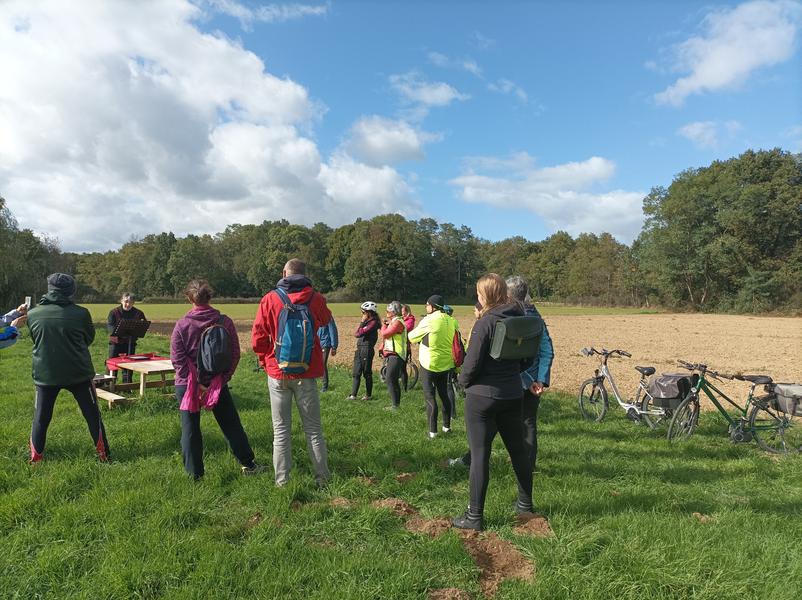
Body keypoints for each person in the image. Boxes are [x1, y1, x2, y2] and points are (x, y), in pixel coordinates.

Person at [451, 274, 533, 531]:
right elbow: (528, 360)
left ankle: (474, 517)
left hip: (482, 398)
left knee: (480, 455)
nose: (477, 297)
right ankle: (525, 505)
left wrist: (463, 382)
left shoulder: (486, 322)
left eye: (478, 293)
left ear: (485, 295)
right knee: (518, 450)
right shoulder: (520, 317)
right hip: (512, 394)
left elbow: (472, 363)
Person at [449, 277, 554, 472]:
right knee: (527, 425)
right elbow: (546, 351)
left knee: (488, 427)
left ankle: (473, 459)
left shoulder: (502, 318)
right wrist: (540, 379)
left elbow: (494, 357)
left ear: (507, 295)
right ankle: (527, 468)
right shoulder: (536, 319)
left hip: (505, 383)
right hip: (529, 382)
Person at [251, 258, 332, 487]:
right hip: (306, 372)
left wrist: (265, 360)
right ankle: (322, 479)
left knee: (281, 431)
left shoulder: (270, 299)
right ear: (305, 274)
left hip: (277, 372)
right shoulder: (316, 298)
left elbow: (258, 338)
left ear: (284, 273)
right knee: (314, 429)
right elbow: (326, 319)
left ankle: (282, 482)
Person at [170, 279, 263, 480]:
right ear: (210, 297)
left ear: (188, 298)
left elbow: (177, 359)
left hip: (187, 386)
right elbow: (235, 354)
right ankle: (248, 464)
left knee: (190, 429)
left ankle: (195, 476)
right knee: (231, 423)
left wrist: (196, 384)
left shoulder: (182, 325)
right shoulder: (224, 321)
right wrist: (220, 379)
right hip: (218, 383)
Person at [26, 273, 110, 463]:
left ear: (49, 289)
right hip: (78, 373)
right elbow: (88, 339)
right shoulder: (81, 313)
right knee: (92, 415)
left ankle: (36, 458)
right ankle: (104, 455)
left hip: (45, 375)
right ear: (71, 291)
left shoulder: (32, 314)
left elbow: (36, 340)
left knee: (41, 418)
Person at [408, 295, 458, 437]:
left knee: (430, 397)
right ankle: (447, 427)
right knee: (444, 395)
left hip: (429, 363)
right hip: (446, 364)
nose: (426, 307)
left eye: (427, 305)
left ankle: (432, 432)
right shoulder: (451, 320)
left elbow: (412, 337)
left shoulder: (429, 320)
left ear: (432, 306)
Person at [107, 292, 147, 384]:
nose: (128, 304)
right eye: (126, 301)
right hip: (115, 343)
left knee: (129, 365)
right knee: (112, 364)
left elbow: (144, 325)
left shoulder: (138, 313)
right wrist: (116, 333)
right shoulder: (113, 312)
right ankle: (110, 385)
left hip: (130, 343)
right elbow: (110, 327)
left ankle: (127, 386)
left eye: (130, 302)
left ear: (133, 303)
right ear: (121, 301)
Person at [379, 301, 408, 411]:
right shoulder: (394, 321)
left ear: (393, 312)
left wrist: (383, 325)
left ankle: (395, 405)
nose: (386, 313)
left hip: (397, 354)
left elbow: (385, 334)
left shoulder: (398, 322)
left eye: (388, 311)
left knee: (390, 378)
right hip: (393, 354)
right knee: (393, 379)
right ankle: (396, 405)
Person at [348, 301, 379, 400]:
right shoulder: (367, 322)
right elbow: (357, 333)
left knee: (366, 373)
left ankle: (368, 395)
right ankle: (353, 395)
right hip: (360, 349)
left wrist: (362, 322)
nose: (362, 314)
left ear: (369, 312)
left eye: (363, 312)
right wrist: (362, 323)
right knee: (356, 372)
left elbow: (358, 334)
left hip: (367, 349)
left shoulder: (373, 323)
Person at [318, 316, 339, 392]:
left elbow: (333, 331)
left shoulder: (327, 317)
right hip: (316, 344)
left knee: (322, 364)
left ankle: (325, 386)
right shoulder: (314, 315)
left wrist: (334, 346)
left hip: (325, 344)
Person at [400, 304, 416, 391]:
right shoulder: (401, 319)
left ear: (407, 312)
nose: (401, 313)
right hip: (398, 345)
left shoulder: (410, 320)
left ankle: (404, 388)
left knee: (402, 368)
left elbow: (405, 328)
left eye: (402, 312)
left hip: (405, 346)